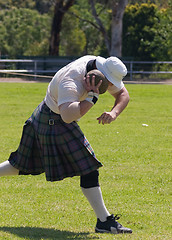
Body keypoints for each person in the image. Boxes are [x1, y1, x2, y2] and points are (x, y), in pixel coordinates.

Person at [0, 55, 132, 234]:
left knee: (21, 166)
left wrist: (114, 113)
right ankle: (104, 222)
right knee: (88, 168)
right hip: (53, 119)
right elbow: (68, 116)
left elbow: (123, 94)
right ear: (100, 74)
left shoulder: (102, 69)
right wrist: (92, 97)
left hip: (51, 116)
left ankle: (104, 222)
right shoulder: (72, 80)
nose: (110, 87)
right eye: (109, 82)